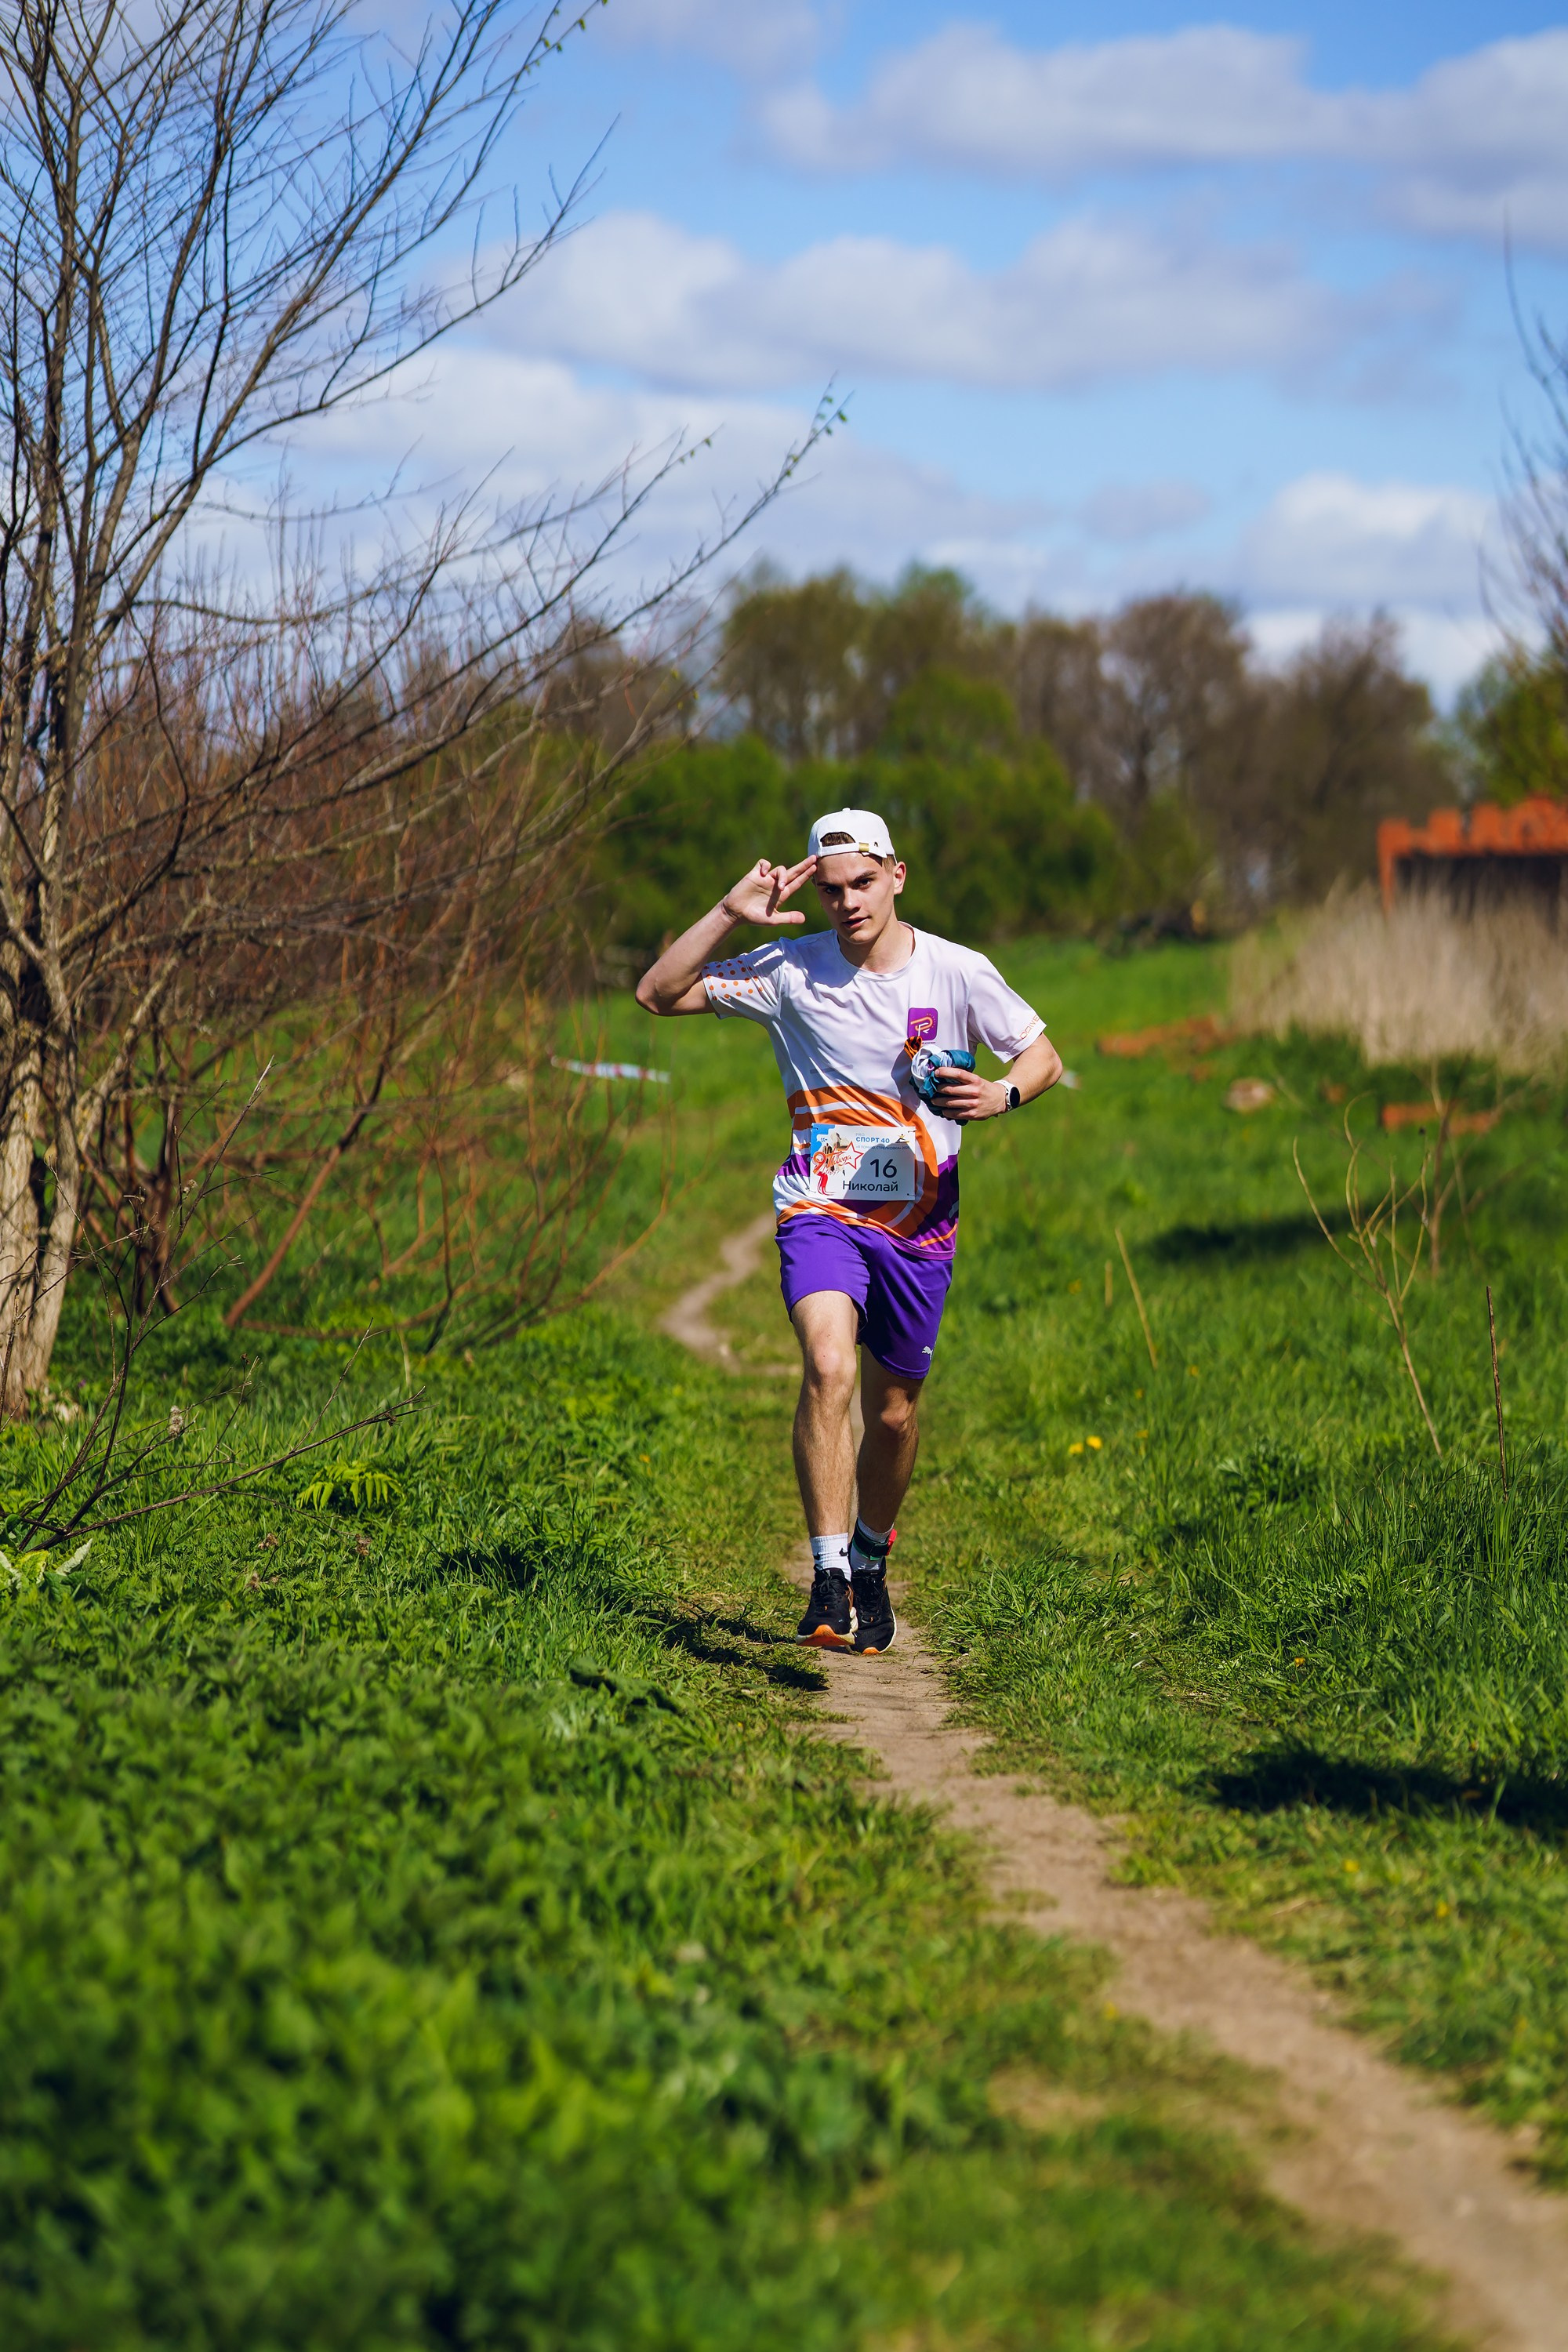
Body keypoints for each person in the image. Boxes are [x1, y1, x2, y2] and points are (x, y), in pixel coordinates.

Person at [636, 808, 1062, 1654]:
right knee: (827, 1364)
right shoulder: (790, 970)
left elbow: (1040, 1055)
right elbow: (657, 993)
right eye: (829, 890)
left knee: (895, 1416)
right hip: (819, 1209)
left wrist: (1002, 1095)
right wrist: (729, 912)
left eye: (862, 883)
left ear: (895, 876)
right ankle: (826, 1577)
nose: (846, 903)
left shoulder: (957, 970)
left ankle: (869, 1559)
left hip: (920, 1223)